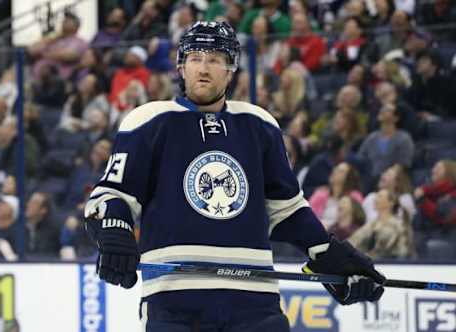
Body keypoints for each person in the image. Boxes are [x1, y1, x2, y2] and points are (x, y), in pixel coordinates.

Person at [84, 21, 385, 331]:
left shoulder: (259, 124)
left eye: (215, 59)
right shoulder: (149, 120)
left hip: (254, 302)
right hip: (174, 302)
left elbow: (286, 209)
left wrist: (327, 251)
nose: (204, 68)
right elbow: (111, 195)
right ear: (181, 66)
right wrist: (114, 230)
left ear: (230, 70)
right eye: (195, 57)